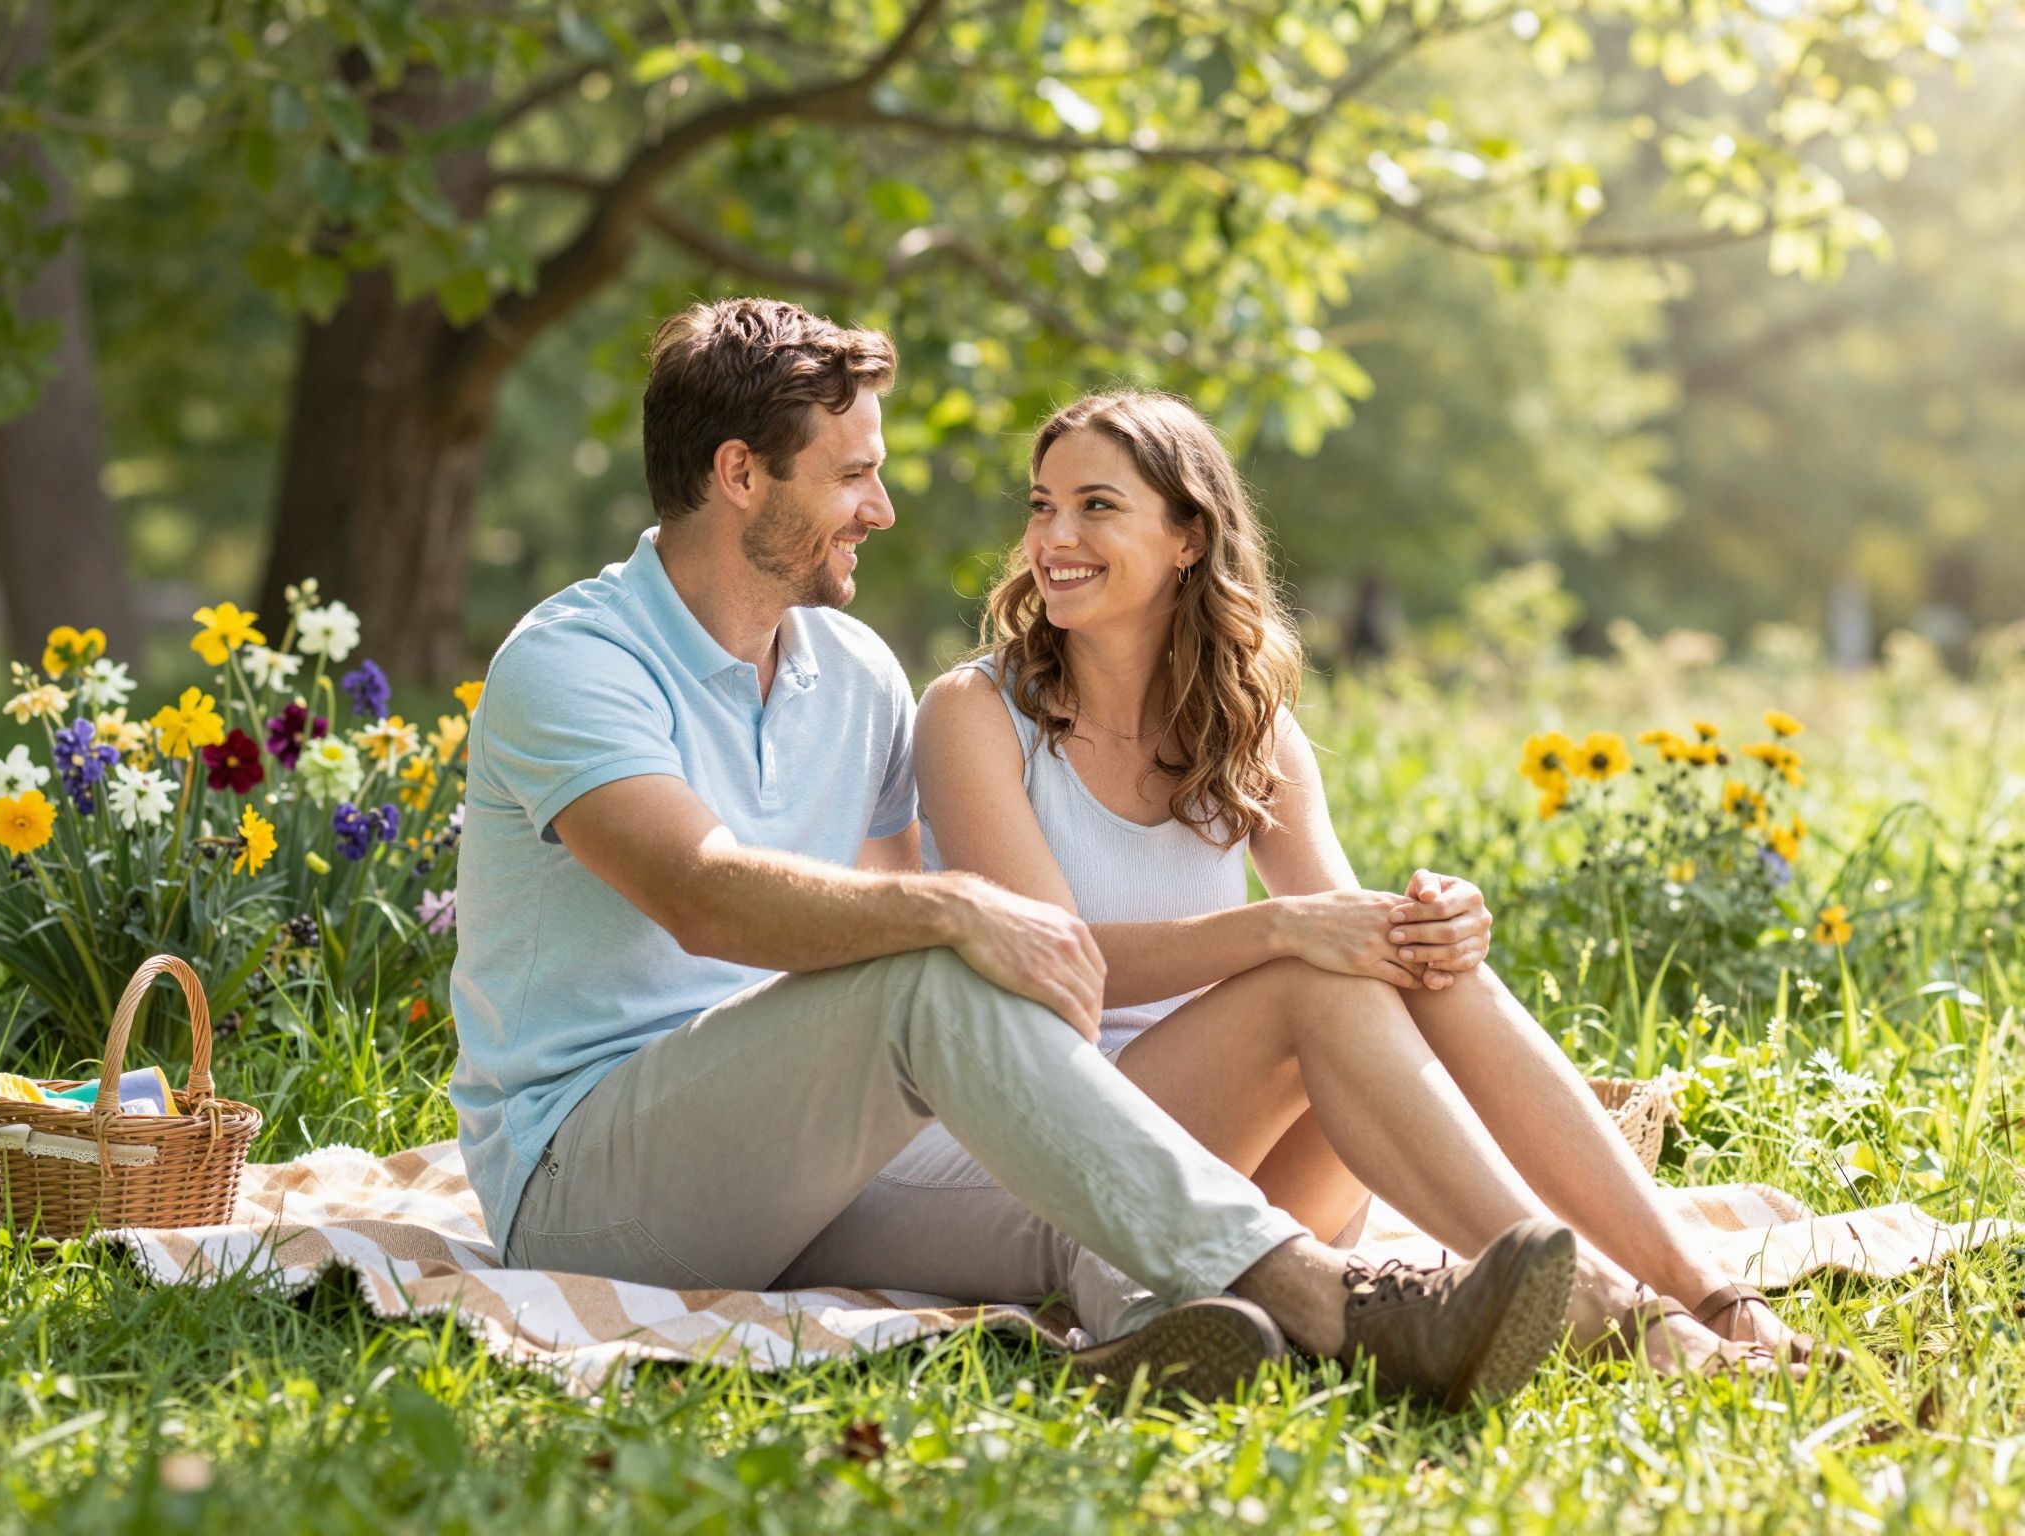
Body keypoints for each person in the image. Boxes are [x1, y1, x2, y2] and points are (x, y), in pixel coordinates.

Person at [449, 298, 1578, 1408]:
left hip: (800, 1155)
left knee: (1067, 1173)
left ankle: (1151, 1333)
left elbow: (877, 919)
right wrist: (956, 914)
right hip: (588, 1179)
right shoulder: (575, 661)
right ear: (740, 474)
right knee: (935, 967)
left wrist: (980, 1029)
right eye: (851, 475)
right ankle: (1329, 1300)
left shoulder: (846, 672)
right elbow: (700, 894)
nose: (880, 508)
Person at [903, 389, 1821, 1376]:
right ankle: (1609, 1313)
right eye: (1041, 506)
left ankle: (1707, 1297)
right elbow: (1057, 969)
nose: (1053, 536)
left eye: (1094, 505)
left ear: (1185, 537)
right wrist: (1285, 930)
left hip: (1249, 1174)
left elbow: (1354, 945)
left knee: (1407, 966)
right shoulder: (975, 713)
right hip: (1064, 1145)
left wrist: (1431, 925)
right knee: (1314, 976)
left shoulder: (1248, 725)